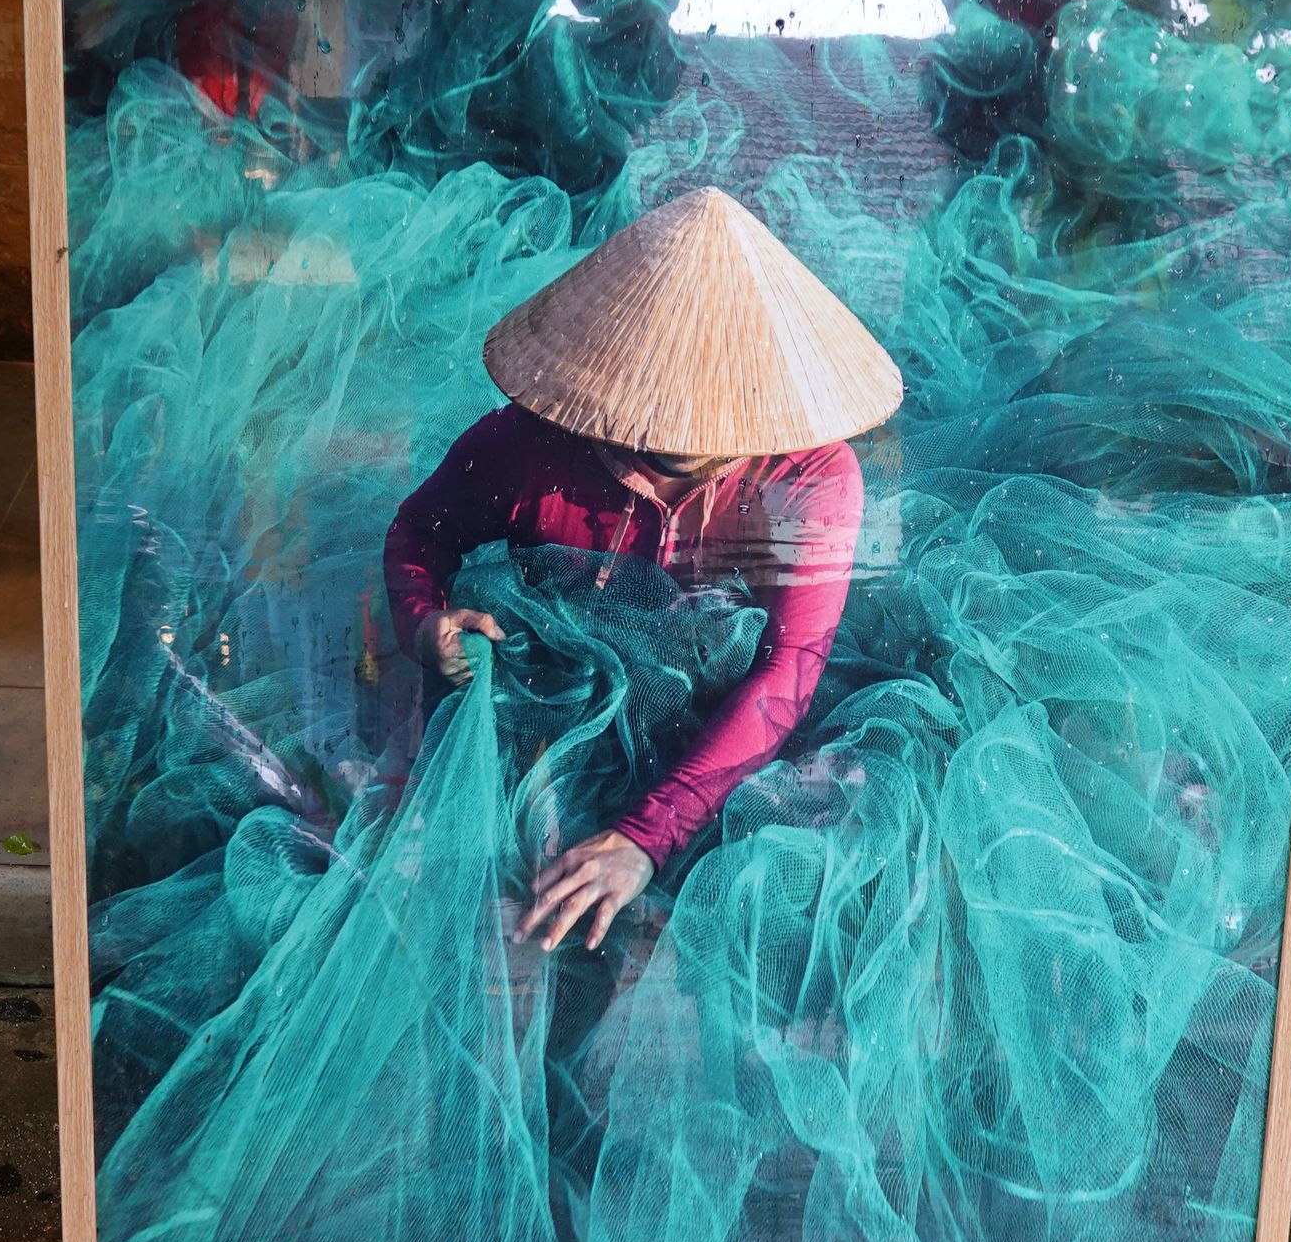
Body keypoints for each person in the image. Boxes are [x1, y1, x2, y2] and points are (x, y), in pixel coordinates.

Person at [377, 185, 902, 957]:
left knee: (764, 925)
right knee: (530, 928)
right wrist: (425, 622)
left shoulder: (808, 478)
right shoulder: (524, 446)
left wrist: (645, 837)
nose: (674, 437)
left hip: (732, 737)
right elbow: (420, 532)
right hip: (549, 723)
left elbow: (788, 668)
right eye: (647, 425)